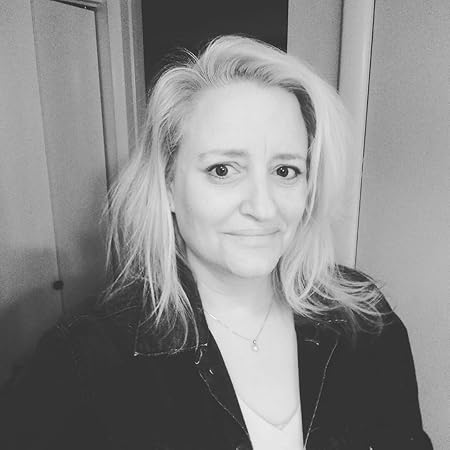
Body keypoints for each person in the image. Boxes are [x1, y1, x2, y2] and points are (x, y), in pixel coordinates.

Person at [0, 35, 432, 450]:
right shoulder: (83, 360)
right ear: (168, 185)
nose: (263, 208)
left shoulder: (364, 319)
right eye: (223, 170)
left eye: (285, 171)